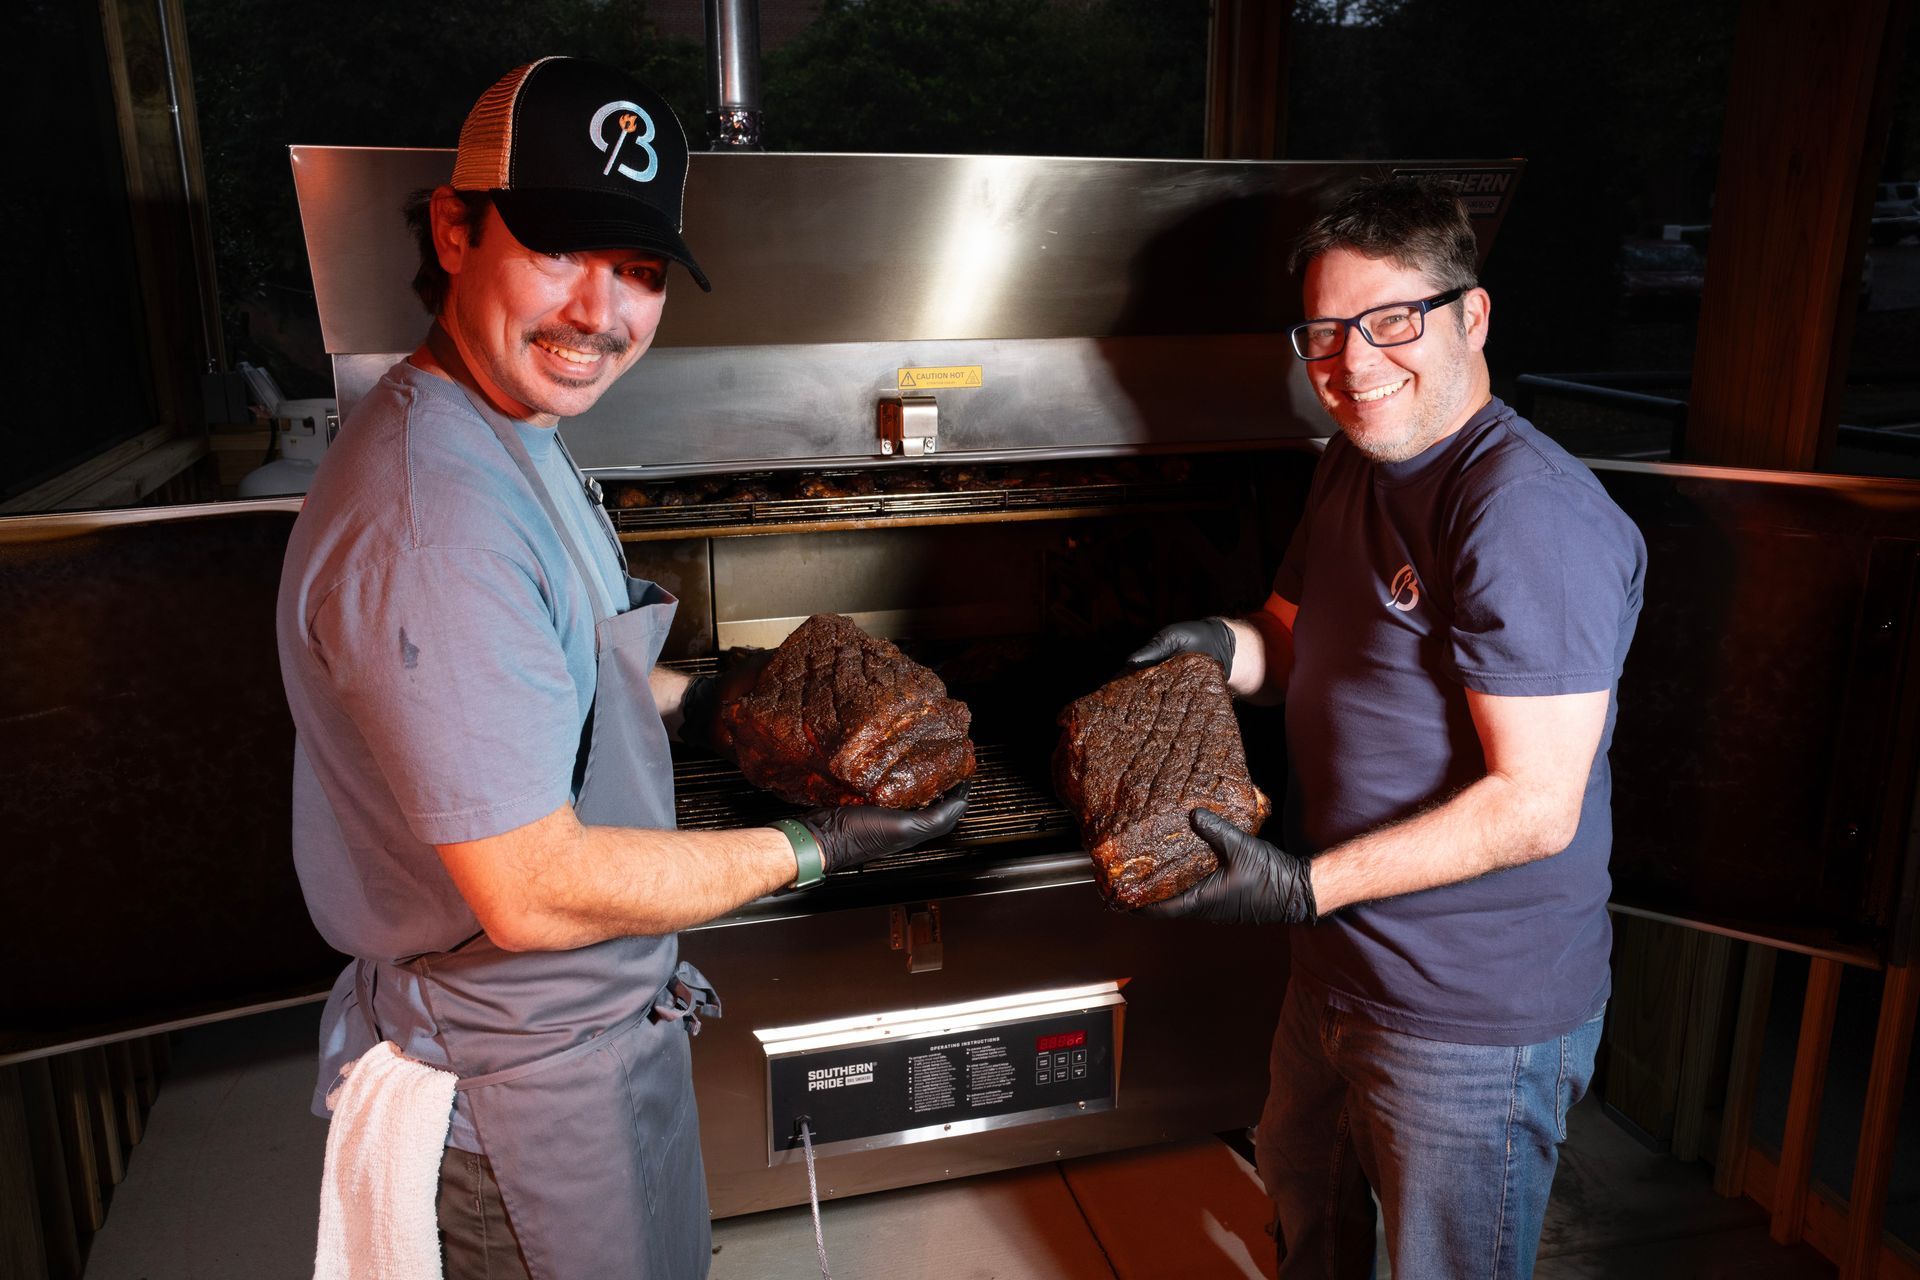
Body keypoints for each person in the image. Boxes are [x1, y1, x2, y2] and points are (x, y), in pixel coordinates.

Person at [276, 57, 966, 1280]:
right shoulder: (436, 520)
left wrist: (703, 701)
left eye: (640, 269)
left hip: (596, 1035)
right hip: (521, 1092)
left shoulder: (510, 428)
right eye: (559, 248)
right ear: (455, 229)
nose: (599, 312)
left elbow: (542, 675)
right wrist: (816, 847)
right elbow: (532, 888)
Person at [1130, 177, 1646, 1278]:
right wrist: (1216, 646)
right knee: (1306, 1213)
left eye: (1392, 320)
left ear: (1473, 316)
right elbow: (1291, 636)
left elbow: (1535, 807)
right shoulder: (1353, 463)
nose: (1354, 363)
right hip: (1336, 963)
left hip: (1468, 1008)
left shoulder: (1525, 513)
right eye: (1325, 331)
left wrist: (1299, 886)